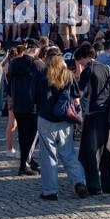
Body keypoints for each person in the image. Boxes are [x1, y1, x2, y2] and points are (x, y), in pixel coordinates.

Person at [32, 47, 88, 200]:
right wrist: (77, 117)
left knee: (49, 156)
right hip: (65, 120)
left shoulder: (40, 74)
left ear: (46, 58)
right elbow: (76, 98)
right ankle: (79, 182)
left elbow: (33, 98)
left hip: (45, 119)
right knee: (68, 154)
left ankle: (50, 191)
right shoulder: (68, 75)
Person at [75, 42, 110, 195]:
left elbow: (80, 94)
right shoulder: (106, 67)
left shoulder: (88, 70)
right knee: (109, 151)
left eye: (79, 60)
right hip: (107, 113)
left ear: (83, 58)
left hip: (93, 113)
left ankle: (94, 186)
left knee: (91, 151)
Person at [7, 41, 42, 175]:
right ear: (35, 49)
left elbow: (9, 83)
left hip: (17, 104)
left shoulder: (14, 63)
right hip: (33, 105)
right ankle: (25, 163)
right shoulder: (37, 64)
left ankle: (25, 162)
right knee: (32, 135)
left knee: (23, 135)